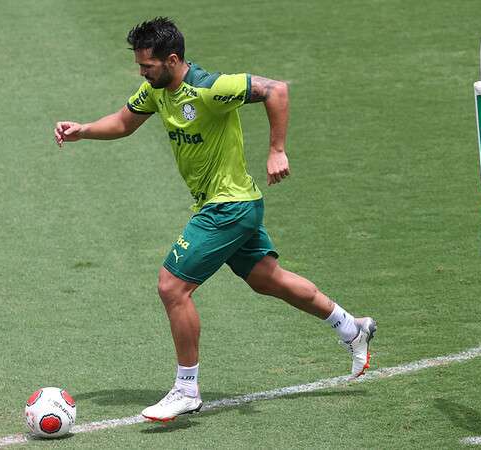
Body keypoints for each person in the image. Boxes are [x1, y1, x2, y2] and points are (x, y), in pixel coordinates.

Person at [53, 17, 376, 422]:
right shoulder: (156, 91)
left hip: (227, 207)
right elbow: (123, 122)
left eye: (147, 66)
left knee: (172, 287)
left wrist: (277, 150)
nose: (142, 73)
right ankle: (351, 328)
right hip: (232, 204)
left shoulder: (210, 88)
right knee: (266, 279)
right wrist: (82, 130)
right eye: (139, 66)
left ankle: (186, 389)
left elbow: (277, 89)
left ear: (172, 59)